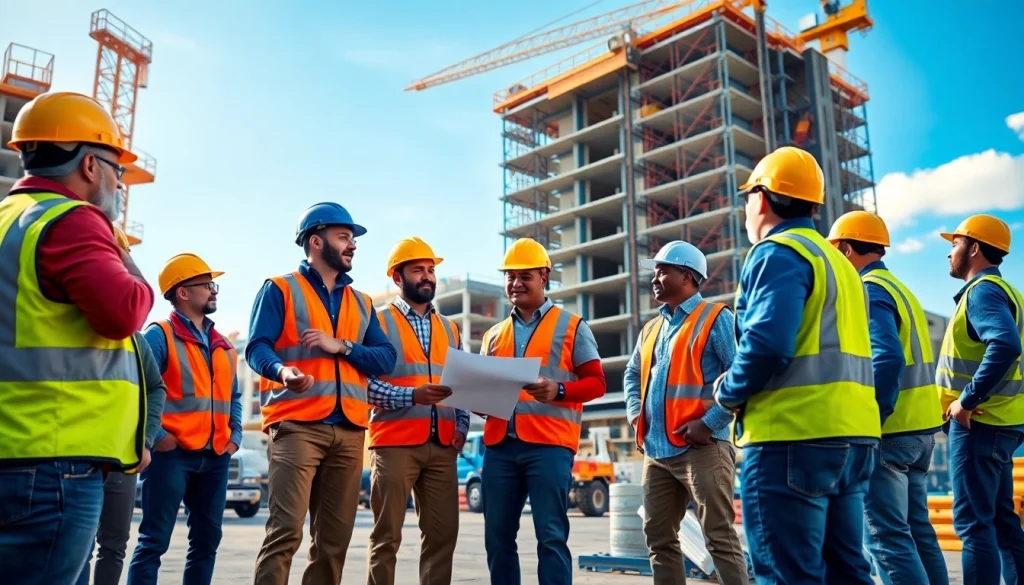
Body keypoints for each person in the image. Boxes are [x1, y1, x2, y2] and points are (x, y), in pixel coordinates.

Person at [0, 90, 154, 584]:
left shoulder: (9, 221)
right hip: (52, 464)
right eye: (117, 168)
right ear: (90, 164)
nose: (119, 180)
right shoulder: (72, 221)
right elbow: (123, 313)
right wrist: (131, 267)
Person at [713, 146, 880, 585]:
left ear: (763, 199)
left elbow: (768, 345)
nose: (746, 207)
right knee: (847, 571)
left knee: (787, 574)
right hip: (854, 437)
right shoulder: (842, 267)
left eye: (748, 197)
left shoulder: (776, 253)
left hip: (792, 437)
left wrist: (727, 392)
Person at [248, 202, 396, 585]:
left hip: (349, 430)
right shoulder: (279, 289)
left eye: (352, 239)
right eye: (344, 237)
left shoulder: (362, 303)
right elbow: (257, 347)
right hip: (297, 426)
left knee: (333, 542)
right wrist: (282, 371)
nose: (352, 246)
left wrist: (342, 346)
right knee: (285, 534)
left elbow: (385, 358)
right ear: (316, 241)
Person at [827, 211, 948, 585]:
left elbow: (888, 357)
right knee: (918, 532)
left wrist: (871, 417)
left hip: (889, 433)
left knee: (886, 537)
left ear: (846, 249)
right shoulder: (899, 288)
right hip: (921, 432)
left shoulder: (868, 289)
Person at [481, 237, 607, 585]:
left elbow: (597, 383)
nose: (516, 284)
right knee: (497, 539)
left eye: (525, 276)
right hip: (500, 447)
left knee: (551, 537)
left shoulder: (572, 326)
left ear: (544, 278)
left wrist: (559, 389)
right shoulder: (494, 335)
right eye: (510, 276)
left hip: (549, 448)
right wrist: (473, 398)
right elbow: (487, 393)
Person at [625, 240, 748, 585]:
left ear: (688, 276)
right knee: (659, 538)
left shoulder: (716, 318)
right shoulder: (651, 328)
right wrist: (636, 414)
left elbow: (741, 375)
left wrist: (710, 424)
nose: (655, 277)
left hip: (704, 449)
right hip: (657, 451)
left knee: (719, 538)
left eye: (663, 270)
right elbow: (633, 373)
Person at [127, 253, 243, 585]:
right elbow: (138, 388)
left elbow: (233, 396)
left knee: (206, 544)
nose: (213, 290)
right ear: (182, 292)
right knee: (153, 542)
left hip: (217, 455)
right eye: (206, 285)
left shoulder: (225, 346)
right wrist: (158, 435)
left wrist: (234, 436)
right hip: (171, 455)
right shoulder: (159, 336)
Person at [366, 237, 470, 585]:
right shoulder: (376, 323)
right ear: (398, 277)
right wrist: (412, 396)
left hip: (442, 445)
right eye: (417, 270)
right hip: (394, 442)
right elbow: (362, 385)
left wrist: (462, 426)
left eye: (430, 270)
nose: (427, 277)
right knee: (386, 539)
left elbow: (463, 384)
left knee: (442, 538)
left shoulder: (451, 328)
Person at [935, 214, 1024, 585]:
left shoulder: (982, 292)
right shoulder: (1008, 293)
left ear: (973, 248)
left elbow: (1004, 345)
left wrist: (966, 402)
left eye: (954, 244)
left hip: (980, 423)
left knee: (974, 524)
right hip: (1003, 424)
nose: (948, 254)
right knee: (1003, 521)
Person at [77, 227, 168, 585]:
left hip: (122, 458)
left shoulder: (134, 338)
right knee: (78, 546)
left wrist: (145, 440)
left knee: (114, 545)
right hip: (77, 455)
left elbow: (155, 388)